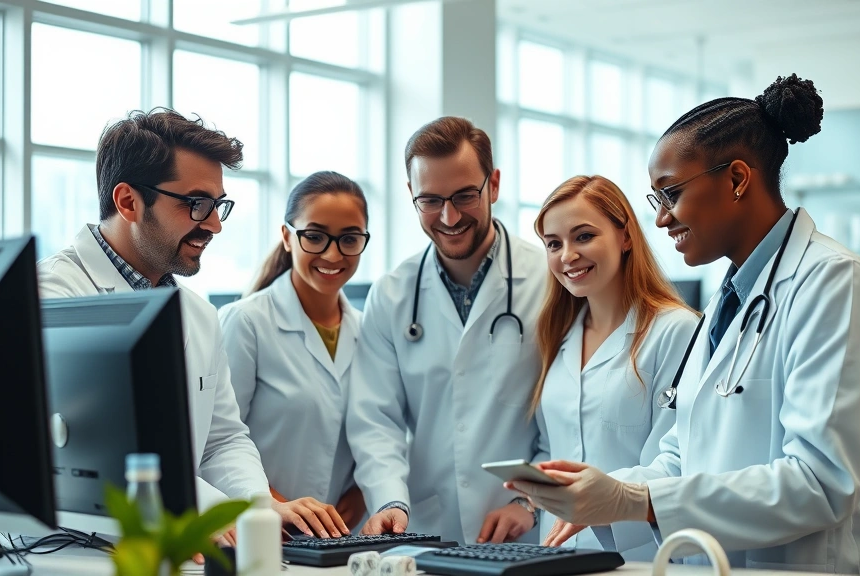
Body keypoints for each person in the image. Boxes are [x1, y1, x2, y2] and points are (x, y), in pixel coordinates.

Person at [508, 75, 860, 573]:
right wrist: (611, 494)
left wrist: (637, 502)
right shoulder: (731, 304)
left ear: (738, 179)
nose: (660, 220)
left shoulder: (834, 284)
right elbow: (683, 453)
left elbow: (819, 483)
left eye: (671, 194)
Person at [37, 109, 349, 541]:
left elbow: (223, 440)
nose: (215, 224)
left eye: (219, 205)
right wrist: (216, 513)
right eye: (197, 204)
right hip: (77, 550)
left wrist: (260, 509)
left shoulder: (198, 315)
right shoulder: (53, 297)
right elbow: (101, 452)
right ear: (128, 201)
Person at [346, 116, 548, 545]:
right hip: (424, 527)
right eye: (431, 200)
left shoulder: (551, 283)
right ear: (411, 196)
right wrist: (388, 501)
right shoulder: (392, 294)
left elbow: (568, 416)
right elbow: (374, 420)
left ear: (493, 185)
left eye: (464, 196)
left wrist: (531, 502)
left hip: (526, 529)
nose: (449, 216)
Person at [531, 175, 697, 559]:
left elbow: (678, 461)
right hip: (555, 554)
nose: (567, 255)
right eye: (553, 243)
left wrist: (606, 500)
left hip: (642, 554)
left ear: (625, 236)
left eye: (584, 236)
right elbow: (555, 448)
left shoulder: (674, 330)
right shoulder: (558, 335)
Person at [219, 171, 370, 535]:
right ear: (287, 237)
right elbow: (216, 442)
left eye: (349, 239)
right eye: (314, 237)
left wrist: (365, 492)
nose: (333, 254)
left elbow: (383, 432)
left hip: (339, 539)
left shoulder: (370, 332)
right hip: (261, 531)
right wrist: (277, 505)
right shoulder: (246, 323)